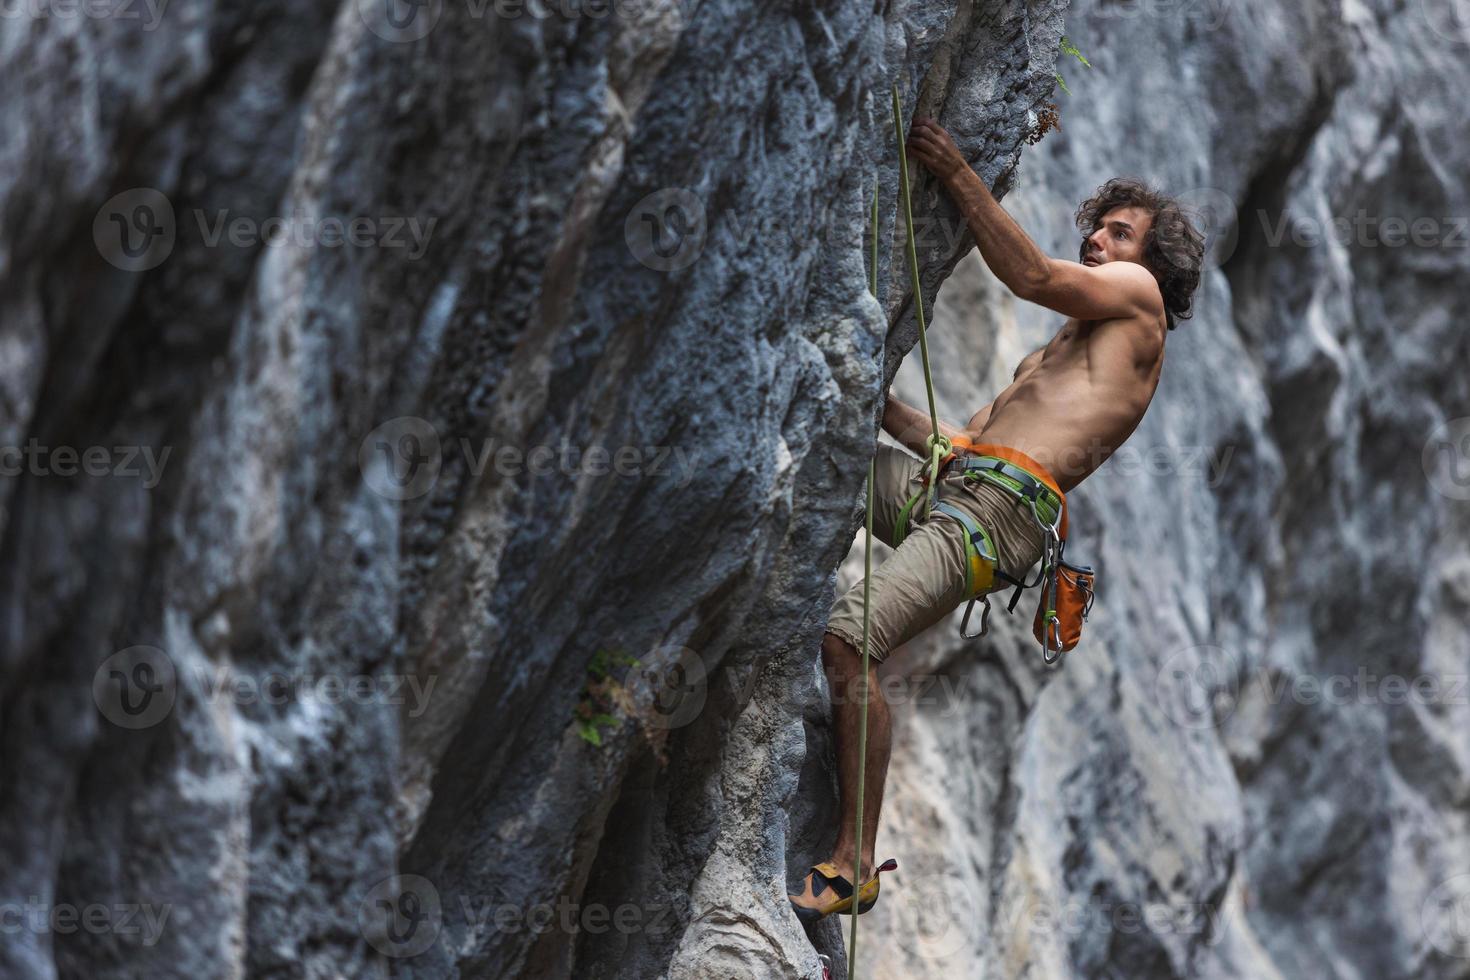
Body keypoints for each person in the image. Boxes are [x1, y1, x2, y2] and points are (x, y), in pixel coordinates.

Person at [789, 118, 1206, 922]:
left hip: (999, 517)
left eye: (1119, 234)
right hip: (964, 489)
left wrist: (955, 170)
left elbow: (1030, 276)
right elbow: (954, 443)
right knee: (818, 462)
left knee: (850, 635)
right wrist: (863, 392)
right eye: (1096, 225)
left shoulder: (1141, 305)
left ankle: (855, 860)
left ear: (1149, 264)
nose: (1097, 238)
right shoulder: (1050, 358)